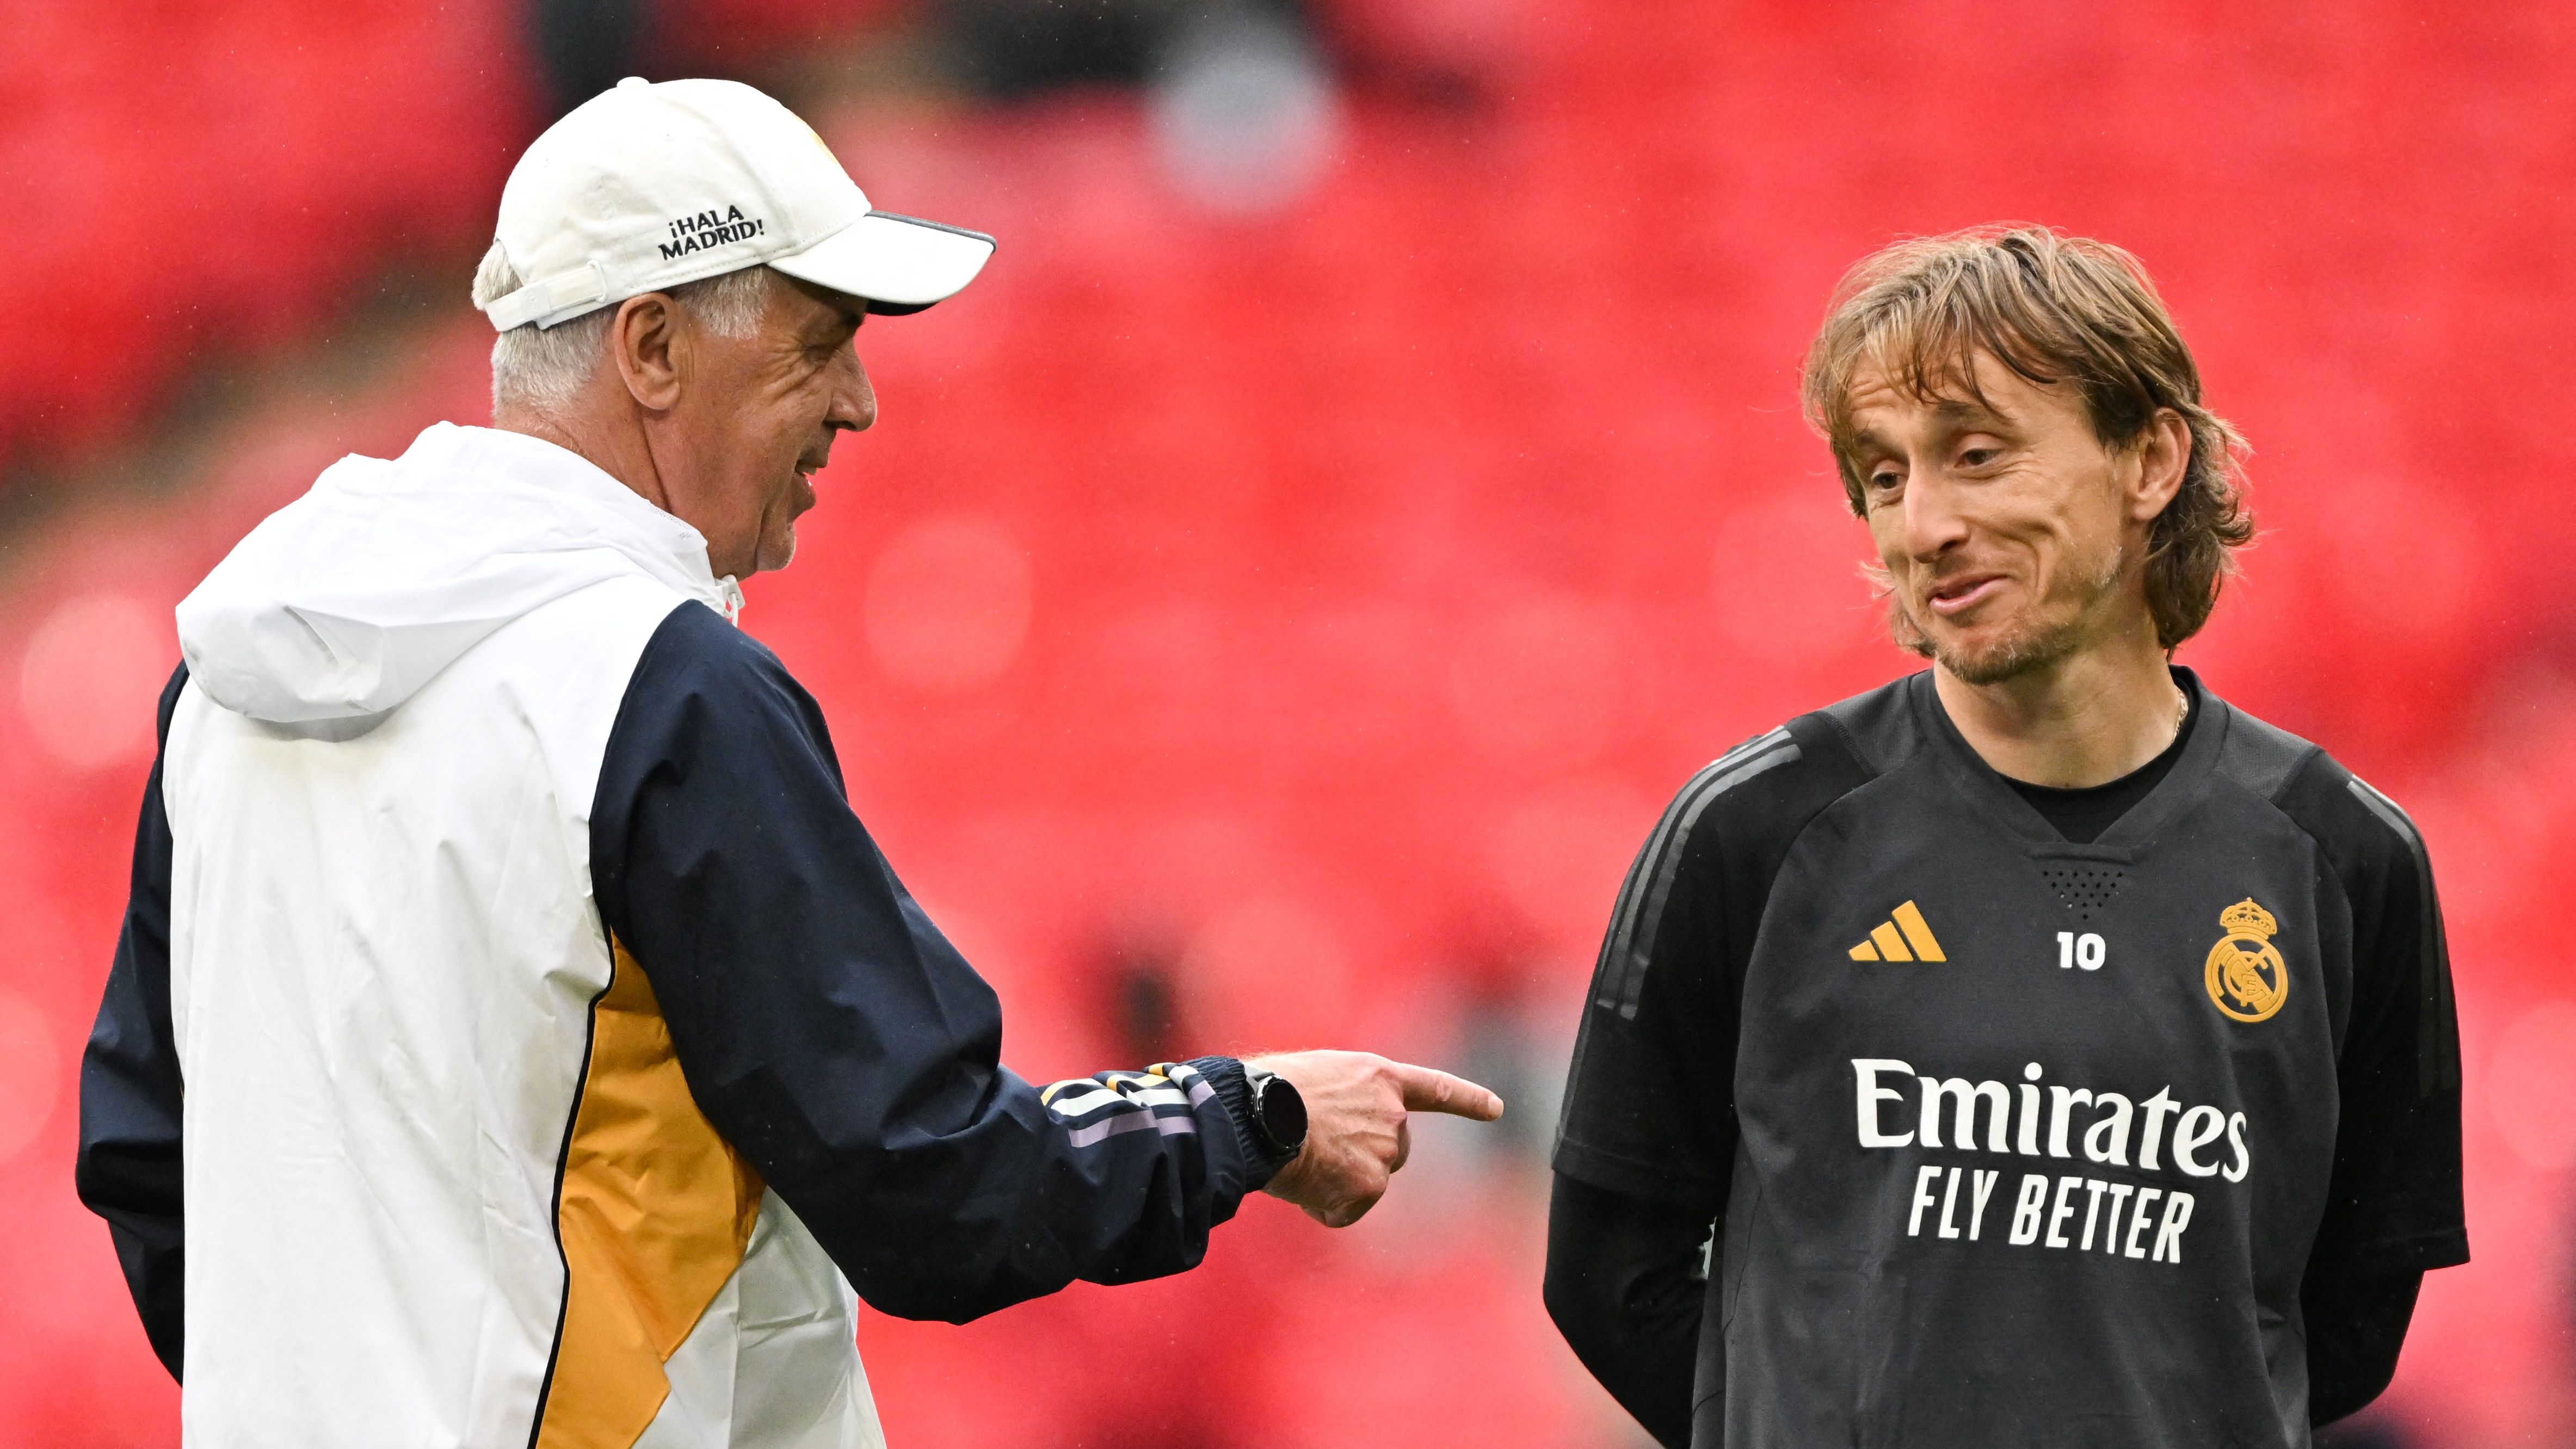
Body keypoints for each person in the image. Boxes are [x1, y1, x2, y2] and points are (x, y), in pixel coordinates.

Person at [73, 77, 1501, 1448]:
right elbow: (926, 1178)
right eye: (819, 341)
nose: (859, 404)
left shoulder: (223, 688)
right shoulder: (655, 687)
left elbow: (148, 1162)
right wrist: (1245, 1119)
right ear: (648, 349)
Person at [1543, 226, 2464, 1448]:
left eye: (1977, 457)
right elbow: (1609, 1273)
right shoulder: (1751, 834)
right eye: (1884, 478)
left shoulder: (2345, 862)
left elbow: (2345, 1320)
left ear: (2149, 458)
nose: (1923, 526)